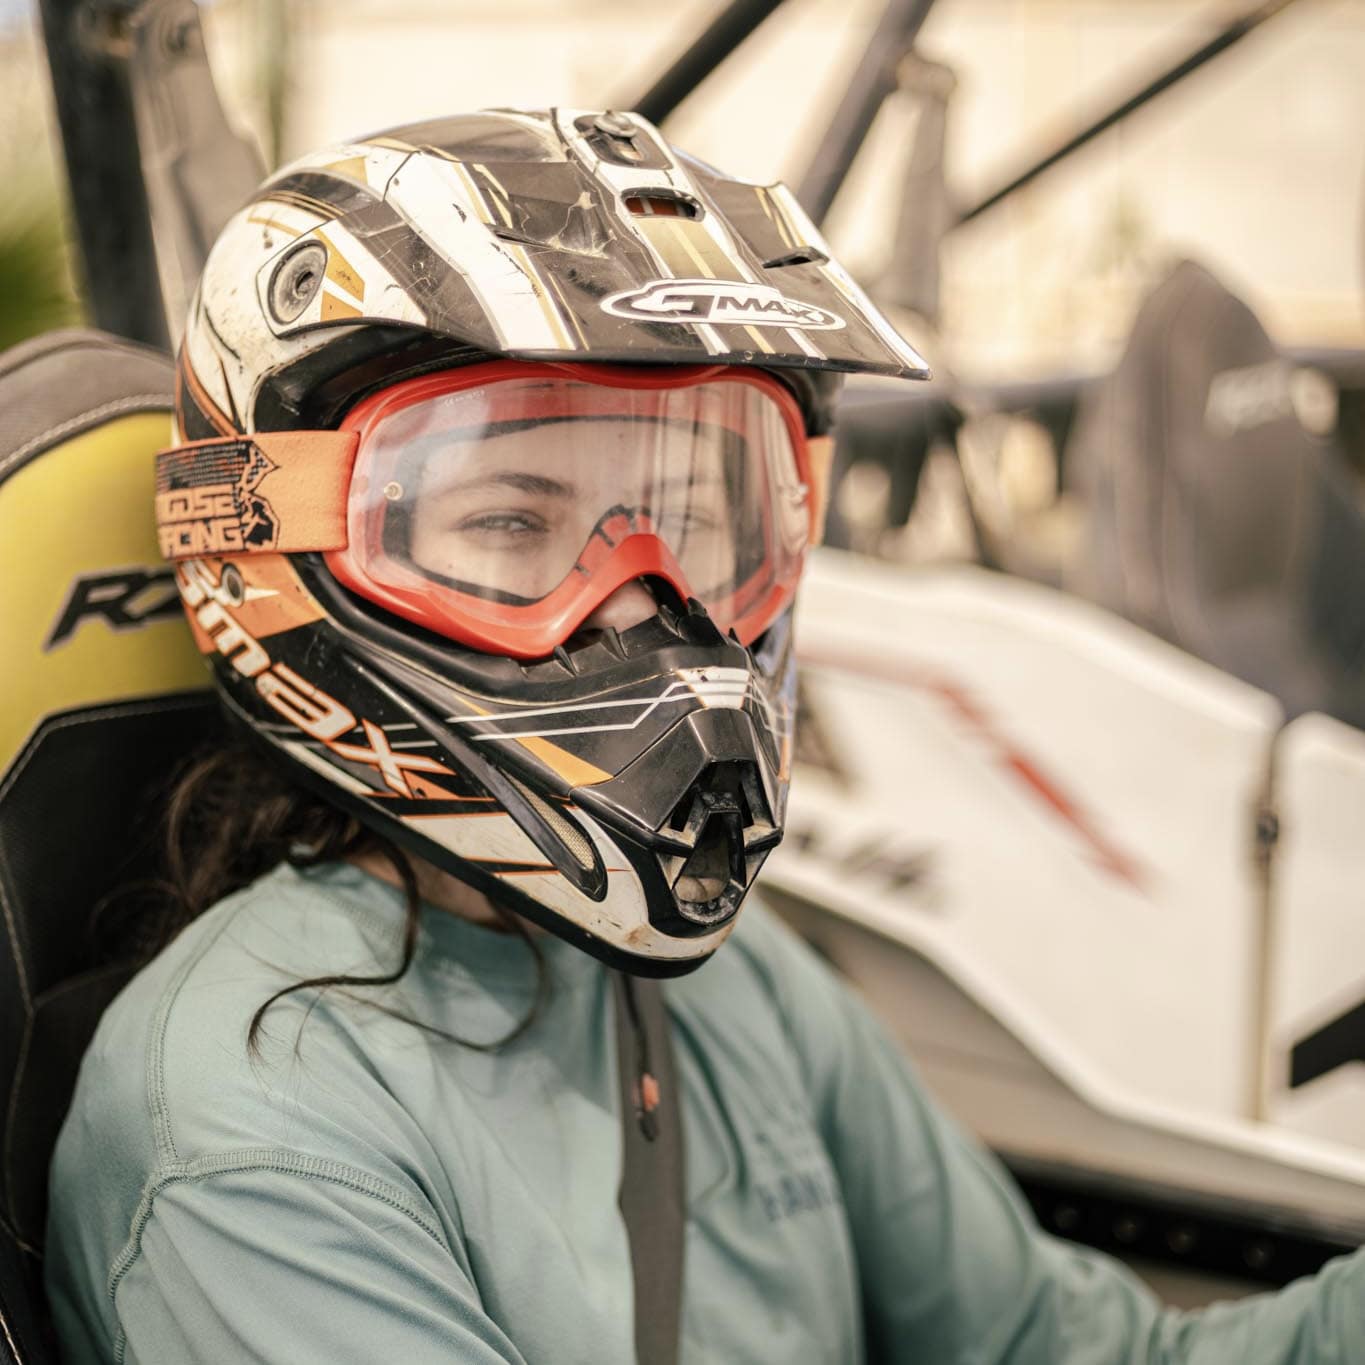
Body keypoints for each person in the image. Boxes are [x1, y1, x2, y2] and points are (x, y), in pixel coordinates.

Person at [45, 108, 1365, 1365]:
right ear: (278, 539)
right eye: (512, 521)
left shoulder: (733, 981)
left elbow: (1066, 1346)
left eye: (691, 511)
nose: (643, 601)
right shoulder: (256, 1123)